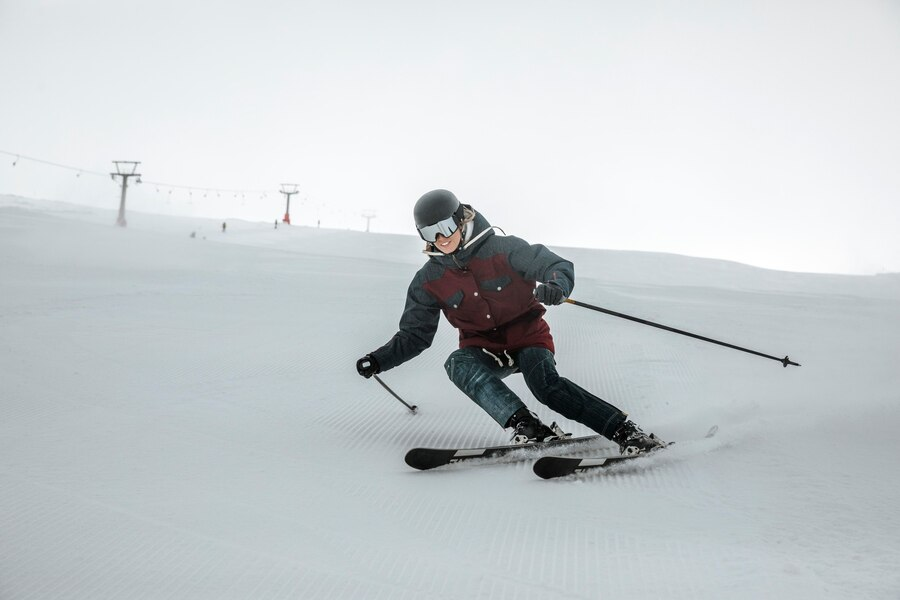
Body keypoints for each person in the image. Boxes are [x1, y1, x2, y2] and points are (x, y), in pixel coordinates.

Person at [356, 189, 666, 454]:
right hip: (485, 348)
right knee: (457, 363)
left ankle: (626, 432)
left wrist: (556, 286)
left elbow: (555, 265)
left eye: (445, 227)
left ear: (461, 219)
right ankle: (528, 427)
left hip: (528, 337)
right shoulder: (429, 280)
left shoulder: (503, 249)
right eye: (429, 233)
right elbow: (414, 336)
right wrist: (378, 360)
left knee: (545, 386)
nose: (440, 238)